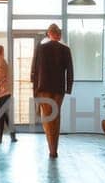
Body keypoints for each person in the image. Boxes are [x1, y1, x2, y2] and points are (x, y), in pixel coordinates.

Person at [30, 23, 73, 159]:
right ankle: (54, 149)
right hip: (59, 89)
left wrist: (34, 90)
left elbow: (34, 70)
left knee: (47, 118)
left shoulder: (41, 48)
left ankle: (51, 149)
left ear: (49, 33)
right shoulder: (65, 49)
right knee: (56, 117)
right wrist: (68, 88)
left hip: (43, 87)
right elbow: (70, 71)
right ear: (58, 35)